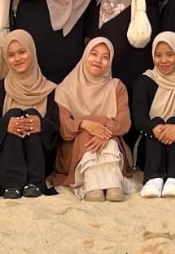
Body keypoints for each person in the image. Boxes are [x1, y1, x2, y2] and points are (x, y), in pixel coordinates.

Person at [0, 30, 60, 198]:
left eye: (22, 52)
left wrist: (41, 125)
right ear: (5, 59)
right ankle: (12, 183)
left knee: (32, 114)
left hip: (39, 163)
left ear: (32, 51)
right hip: (4, 162)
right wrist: (6, 125)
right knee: (13, 114)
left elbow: (57, 129)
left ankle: (34, 182)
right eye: (11, 55)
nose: (17, 59)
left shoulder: (50, 90)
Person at [52, 37, 135, 201]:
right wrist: (85, 124)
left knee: (109, 140)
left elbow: (124, 122)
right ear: (85, 56)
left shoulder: (117, 87)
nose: (99, 60)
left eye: (105, 57)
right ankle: (92, 184)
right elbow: (64, 128)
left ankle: (112, 184)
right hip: (74, 149)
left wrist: (104, 131)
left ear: (110, 61)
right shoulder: (65, 88)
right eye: (94, 54)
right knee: (85, 135)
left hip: (110, 139)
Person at [131, 31, 175, 198]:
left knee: (173, 120)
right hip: (148, 150)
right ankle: (153, 179)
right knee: (156, 120)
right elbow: (139, 118)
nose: (163, 60)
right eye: (158, 55)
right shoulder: (144, 81)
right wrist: (154, 128)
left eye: (170, 55)